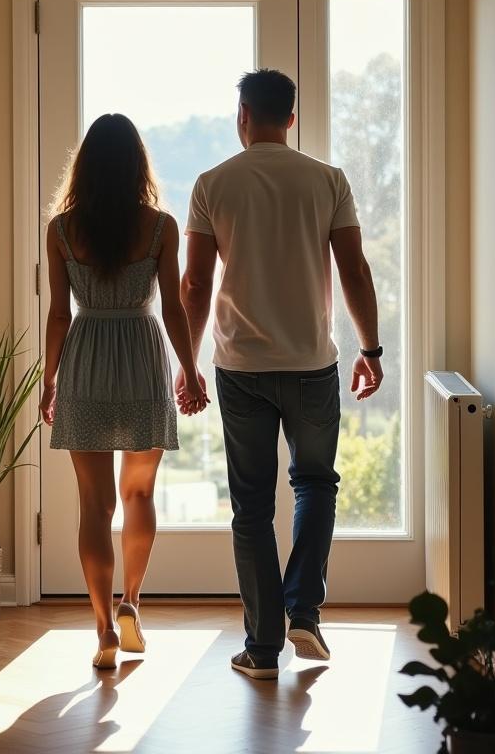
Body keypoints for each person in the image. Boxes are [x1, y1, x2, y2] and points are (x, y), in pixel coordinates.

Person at [178, 69, 383, 680]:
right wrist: (371, 349)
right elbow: (355, 272)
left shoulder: (212, 184)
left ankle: (263, 648)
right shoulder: (328, 180)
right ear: (289, 118)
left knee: (250, 507)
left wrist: (186, 365)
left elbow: (193, 286)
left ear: (242, 114)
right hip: (313, 364)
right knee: (315, 484)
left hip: (240, 367)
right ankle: (304, 615)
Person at [40, 113, 208, 670]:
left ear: (84, 165)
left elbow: (58, 315)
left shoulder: (62, 230)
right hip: (140, 355)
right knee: (138, 495)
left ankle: (103, 630)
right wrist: (190, 368)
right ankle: (132, 600)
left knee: (95, 504)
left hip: (86, 358)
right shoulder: (159, 227)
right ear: (138, 163)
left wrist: (48, 382)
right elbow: (175, 306)